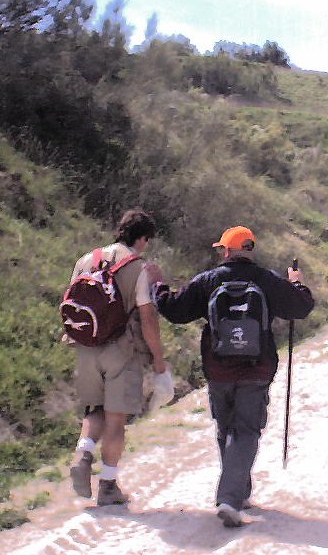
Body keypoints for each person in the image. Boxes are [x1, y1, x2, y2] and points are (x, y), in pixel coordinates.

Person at [150, 226, 314, 527]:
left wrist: (157, 285)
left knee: (227, 430)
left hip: (218, 369)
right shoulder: (266, 280)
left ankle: (237, 494)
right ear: (250, 250)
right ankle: (231, 497)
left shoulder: (209, 281)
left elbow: (174, 310)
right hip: (257, 369)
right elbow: (301, 307)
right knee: (246, 431)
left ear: (226, 250)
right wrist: (297, 284)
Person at [68, 208, 169, 506]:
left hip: (86, 347)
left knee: (94, 409)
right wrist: (158, 360)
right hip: (121, 351)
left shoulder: (86, 259)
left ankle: (83, 453)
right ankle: (108, 486)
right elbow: (147, 319)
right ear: (143, 238)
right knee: (116, 419)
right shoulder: (138, 267)